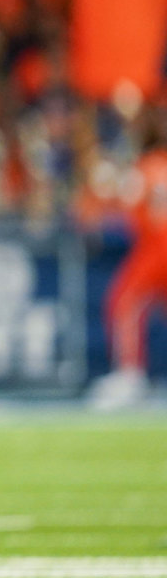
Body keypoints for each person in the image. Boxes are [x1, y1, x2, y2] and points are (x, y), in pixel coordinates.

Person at [89, 126, 167, 410]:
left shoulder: (145, 167)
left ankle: (130, 375)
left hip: (157, 245)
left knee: (124, 304)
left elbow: (125, 205)